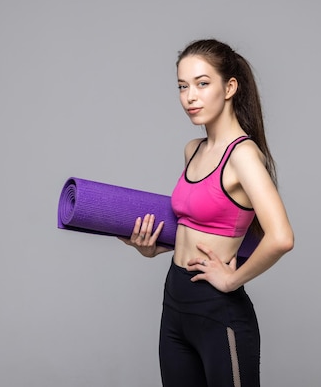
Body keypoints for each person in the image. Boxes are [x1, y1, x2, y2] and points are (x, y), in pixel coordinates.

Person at [118, 39, 294, 387]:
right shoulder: (193, 150)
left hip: (217, 309)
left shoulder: (242, 156)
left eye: (202, 83)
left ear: (229, 87)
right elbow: (199, 223)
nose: (190, 97)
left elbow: (281, 237)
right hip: (175, 303)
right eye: (183, 87)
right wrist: (155, 247)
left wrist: (231, 280)